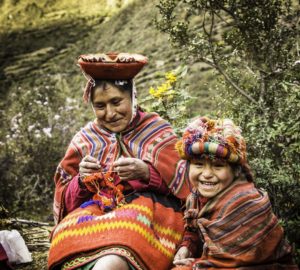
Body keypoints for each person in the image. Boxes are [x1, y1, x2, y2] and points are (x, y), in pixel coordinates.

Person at [47, 52, 190, 270]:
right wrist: (82, 181)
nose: (110, 113)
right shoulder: (85, 140)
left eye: (116, 102)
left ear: (133, 97)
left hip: (151, 213)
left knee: (122, 246)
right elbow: (64, 201)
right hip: (95, 212)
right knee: (67, 237)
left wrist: (147, 173)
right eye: (100, 106)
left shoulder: (156, 130)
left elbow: (188, 187)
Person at [172, 116, 298, 270]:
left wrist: (194, 264)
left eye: (218, 166)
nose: (207, 174)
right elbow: (193, 230)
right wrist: (187, 247)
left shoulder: (246, 203)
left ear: (235, 171)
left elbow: (236, 262)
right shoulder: (196, 198)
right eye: (198, 165)